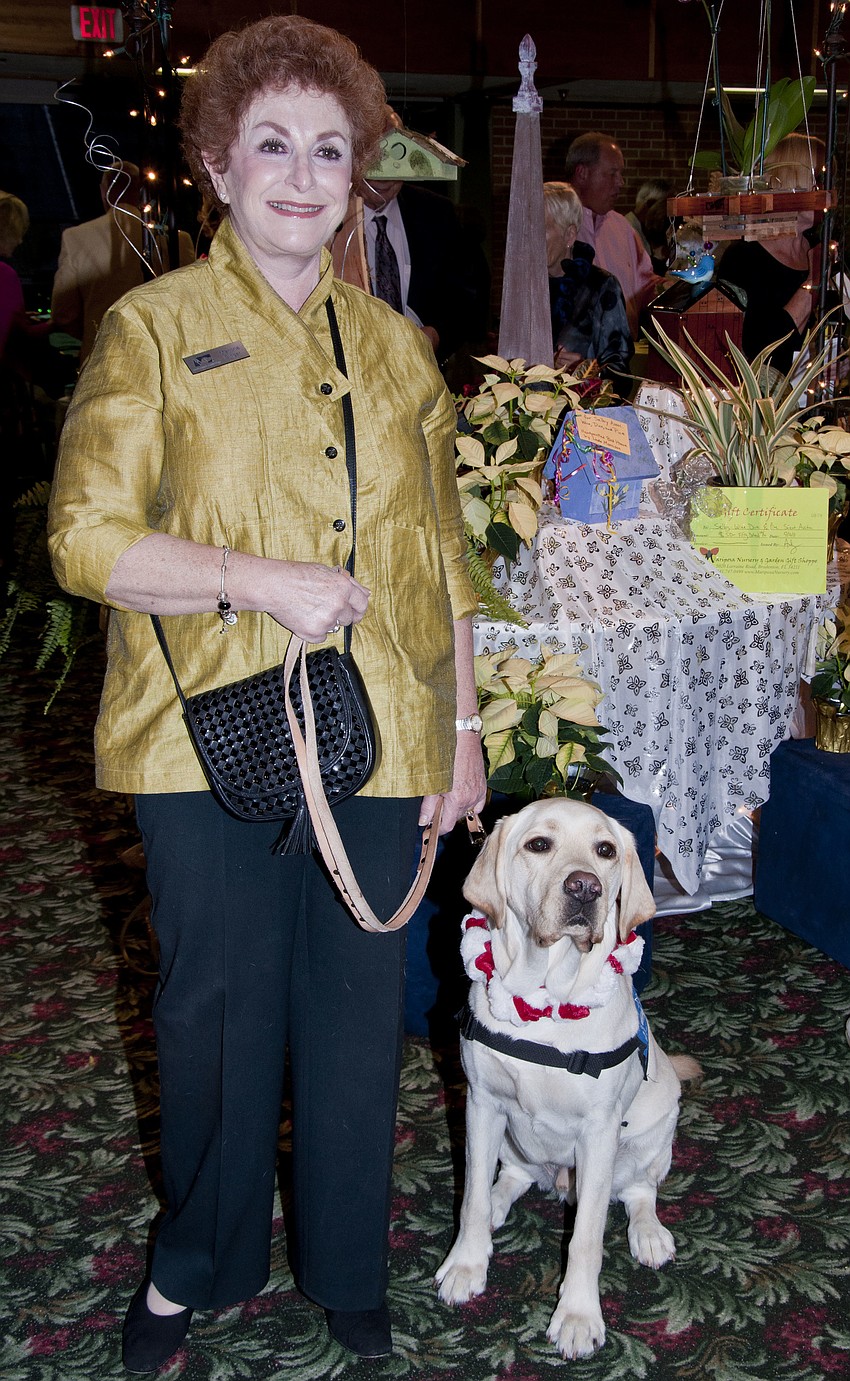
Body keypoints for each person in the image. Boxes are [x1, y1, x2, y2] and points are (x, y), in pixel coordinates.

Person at [47, 14, 486, 1374]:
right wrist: (256, 579)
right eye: (272, 146)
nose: (302, 175)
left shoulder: (397, 346)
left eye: (330, 152)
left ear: (359, 177)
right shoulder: (152, 330)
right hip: (203, 737)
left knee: (361, 1015)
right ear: (220, 166)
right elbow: (84, 539)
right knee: (217, 1017)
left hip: (388, 727)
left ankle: (346, 1263)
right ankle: (201, 1260)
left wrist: (463, 734)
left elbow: (446, 557)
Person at [51, 162, 195, 365]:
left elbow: (63, 314)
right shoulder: (178, 241)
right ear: (140, 192)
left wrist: (94, 334)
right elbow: (190, 306)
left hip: (101, 360)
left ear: (104, 192)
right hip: (163, 358)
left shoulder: (76, 238)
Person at [717, 134, 825, 373]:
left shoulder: (820, 247)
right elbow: (761, 348)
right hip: (761, 401)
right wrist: (813, 281)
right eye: (819, 181)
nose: (828, 192)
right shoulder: (745, 258)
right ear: (792, 182)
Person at [564, 132, 660, 338]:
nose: (621, 182)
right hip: (570, 363)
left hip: (620, 357)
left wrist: (679, 286)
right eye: (612, 173)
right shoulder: (554, 225)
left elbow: (645, 286)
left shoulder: (622, 227)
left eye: (621, 174)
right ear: (582, 173)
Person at [544, 181, 632, 383]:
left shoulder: (601, 286)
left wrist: (583, 370)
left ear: (570, 235)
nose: (530, 238)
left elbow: (621, 372)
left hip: (577, 411)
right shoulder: (524, 288)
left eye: (541, 228)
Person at [625, 179, 672, 275]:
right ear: (650, 204)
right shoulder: (626, 230)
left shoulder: (645, 228)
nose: (665, 214)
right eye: (663, 207)